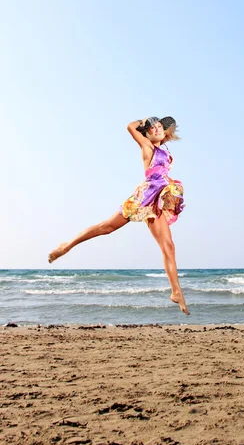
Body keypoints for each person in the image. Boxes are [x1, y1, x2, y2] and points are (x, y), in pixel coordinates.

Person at [48, 116, 189, 315]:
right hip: (146, 195)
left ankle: (176, 292)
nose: (157, 129)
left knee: (169, 246)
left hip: (159, 199)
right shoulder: (147, 147)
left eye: (159, 127)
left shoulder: (164, 147)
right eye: (152, 128)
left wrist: (162, 126)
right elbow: (130, 127)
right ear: (147, 133)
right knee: (107, 227)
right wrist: (146, 120)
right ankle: (66, 246)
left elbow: (169, 127)